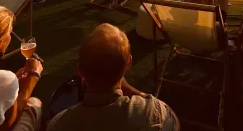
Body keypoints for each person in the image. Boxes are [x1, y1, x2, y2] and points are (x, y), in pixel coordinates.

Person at [47, 24, 179, 130]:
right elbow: (174, 122)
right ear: (128, 63)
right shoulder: (151, 113)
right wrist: (130, 89)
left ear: (80, 71)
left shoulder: (58, 124)